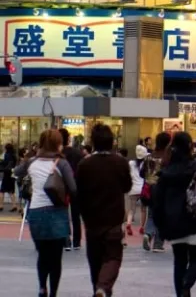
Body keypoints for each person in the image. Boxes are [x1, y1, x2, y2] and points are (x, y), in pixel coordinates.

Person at [152, 132, 196, 297]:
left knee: (179, 261)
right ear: (190, 146)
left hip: (174, 223)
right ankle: (187, 284)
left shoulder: (166, 172)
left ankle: (181, 292)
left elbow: (157, 201)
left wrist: (161, 225)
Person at [15, 129, 77, 297]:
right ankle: (53, 293)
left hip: (35, 212)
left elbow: (16, 172)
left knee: (42, 254)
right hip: (57, 212)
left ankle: (42, 287)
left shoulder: (31, 162)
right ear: (58, 144)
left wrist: (29, 157)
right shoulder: (62, 163)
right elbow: (73, 188)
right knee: (56, 258)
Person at [76, 123, 132, 297]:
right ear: (112, 141)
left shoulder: (85, 164)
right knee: (113, 257)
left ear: (93, 142)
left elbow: (79, 191)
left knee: (95, 261)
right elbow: (127, 186)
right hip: (113, 219)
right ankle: (103, 287)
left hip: (92, 220)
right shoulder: (120, 162)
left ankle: (99, 288)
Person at [141, 131, 172, 253]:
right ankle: (158, 244)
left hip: (149, 189)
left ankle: (148, 234)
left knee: (152, 214)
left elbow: (142, 172)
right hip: (163, 189)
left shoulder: (149, 156)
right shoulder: (168, 157)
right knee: (162, 216)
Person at [58, 128, 83, 251]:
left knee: (63, 214)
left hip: (61, 187)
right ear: (68, 138)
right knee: (75, 215)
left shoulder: (57, 154)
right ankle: (77, 241)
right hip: (76, 186)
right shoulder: (77, 153)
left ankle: (66, 240)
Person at [125, 145, 147, 237]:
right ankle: (142, 227)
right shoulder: (146, 163)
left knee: (131, 209)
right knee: (143, 209)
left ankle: (129, 223)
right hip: (142, 188)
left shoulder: (131, 163)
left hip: (133, 188)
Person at [0, 143, 18, 212]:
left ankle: (1, 206)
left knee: (2, 191)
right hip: (12, 174)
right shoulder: (14, 155)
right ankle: (14, 205)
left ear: (6, 148)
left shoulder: (6, 155)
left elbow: (4, 163)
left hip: (7, 174)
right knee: (11, 191)